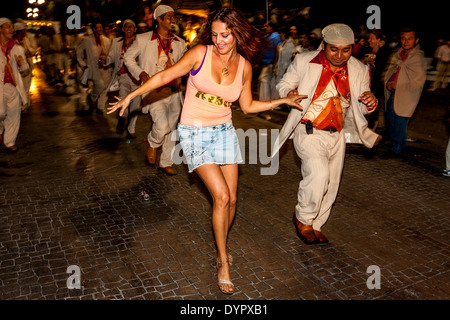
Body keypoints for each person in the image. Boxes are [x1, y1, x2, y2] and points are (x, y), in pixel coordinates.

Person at [108, 6, 305, 294]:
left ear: (237, 33)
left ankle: (222, 244)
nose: (220, 40)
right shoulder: (200, 53)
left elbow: (248, 106)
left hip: (224, 131)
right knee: (221, 196)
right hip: (193, 132)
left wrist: (282, 102)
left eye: (225, 34)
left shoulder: (246, 67)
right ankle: (223, 261)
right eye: (215, 34)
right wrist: (132, 96)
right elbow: (165, 76)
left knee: (233, 200)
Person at [275, 23, 381, 245]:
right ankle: (303, 218)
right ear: (324, 45)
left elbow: (360, 107)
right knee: (319, 174)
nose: (340, 55)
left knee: (331, 184)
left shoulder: (359, 69)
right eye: (334, 49)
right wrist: (289, 92)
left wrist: (370, 103)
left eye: (346, 50)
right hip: (309, 129)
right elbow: (284, 84)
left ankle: (316, 224)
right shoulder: (305, 61)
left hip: (337, 134)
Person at [123, 5, 187, 175]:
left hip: (174, 91)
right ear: (159, 19)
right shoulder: (143, 39)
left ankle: (165, 162)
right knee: (161, 124)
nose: (173, 20)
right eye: (169, 17)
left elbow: (187, 65)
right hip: (153, 92)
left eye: (174, 17)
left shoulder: (180, 43)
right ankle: (152, 142)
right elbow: (128, 58)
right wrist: (141, 73)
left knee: (172, 127)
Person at [383, 28, 427, 155]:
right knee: (390, 120)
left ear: (416, 40)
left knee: (400, 121)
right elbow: (392, 71)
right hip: (394, 94)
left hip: (407, 95)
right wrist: (388, 82)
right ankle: (401, 144)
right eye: (403, 38)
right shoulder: (398, 55)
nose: (406, 42)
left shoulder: (417, 57)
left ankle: (397, 148)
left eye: (410, 38)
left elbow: (419, 80)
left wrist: (398, 85)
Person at [104, 19, 141, 138]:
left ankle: (131, 129)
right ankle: (123, 116)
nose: (129, 28)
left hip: (136, 77)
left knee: (135, 103)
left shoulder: (140, 42)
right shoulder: (116, 42)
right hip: (123, 77)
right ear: (123, 29)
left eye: (131, 27)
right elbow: (111, 56)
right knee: (122, 98)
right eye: (126, 27)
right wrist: (105, 61)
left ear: (135, 30)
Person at [0, 17, 29, 152]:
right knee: (1, 113)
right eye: (8, 27)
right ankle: (0, 128)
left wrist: (22, 64)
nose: (12, 30)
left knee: (14, 113)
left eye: (12, 27)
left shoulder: (17, 48)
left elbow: (25, 69)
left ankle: (10, 141)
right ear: (0, 29)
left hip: (13, 86)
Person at [76, 21, 112, 113]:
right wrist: (83, 65)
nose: (99, 29)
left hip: (105, 67)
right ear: (94, 29)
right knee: (100, 85)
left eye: (101, 27)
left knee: (106, 88)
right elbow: (78, 52)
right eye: (97, 27)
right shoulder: (87, 40)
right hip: (93, 67)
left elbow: (109, 54)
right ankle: (92, 97)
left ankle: (100, 106)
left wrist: (107, 60)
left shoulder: (106, 40)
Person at [361, 29, 390, 130]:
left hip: (378, 85)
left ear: (379, 40)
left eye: (371, 38)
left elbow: (383, 69)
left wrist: (375, 63)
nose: (369, 40)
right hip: (367, 83)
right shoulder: (366, 50)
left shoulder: (385, 52)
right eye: (368, 38)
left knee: (375, 108)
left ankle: (373, 129)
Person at [257, 22, 281, 101]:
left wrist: (275, 63)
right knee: (265, 80)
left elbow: (277, 51)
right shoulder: (266, 36)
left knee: (264, 79)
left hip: (271, 63)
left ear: (272, 28)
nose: (265, 28)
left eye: (267, 26)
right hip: (265, 62)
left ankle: (265, 100)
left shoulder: (276, 36)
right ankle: (265, 99)